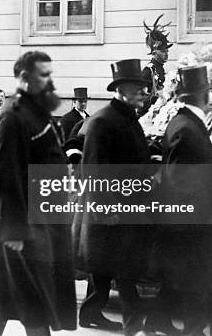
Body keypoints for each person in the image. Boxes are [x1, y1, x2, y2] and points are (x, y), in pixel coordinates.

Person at [0, 51, 77, 336]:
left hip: (35, 226)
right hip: (19, 234)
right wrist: (13, 232)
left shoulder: (35, 113)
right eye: (43, 74)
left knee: (4, 309)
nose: (49, 80)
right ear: (23, 78)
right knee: (33, 309)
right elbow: (4, 176)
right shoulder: (12, 117)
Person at [73, 59, 153, 335]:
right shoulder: (103, 121)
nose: (145, 93)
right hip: (110, 211)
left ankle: (90, 315)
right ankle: (134, 324)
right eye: (138, 88)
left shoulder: (125, 117)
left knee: (106, 267)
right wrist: (104, 212)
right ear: (121, 89)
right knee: (123, 268)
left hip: (123, 208)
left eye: (144, 88)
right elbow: (93, 172)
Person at [158, 65, 212, 335]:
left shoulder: (183, 122)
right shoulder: (188, 128)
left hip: (187, 225)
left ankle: (170, 324)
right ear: (205, 95)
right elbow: (180, 184)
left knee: (191, 288)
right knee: (195, 291)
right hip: (193, 227)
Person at [141, 14, 172, 115]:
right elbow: (142, 98)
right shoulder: (148, 71)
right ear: (154, 52)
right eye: (163, 51)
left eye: (167, 51)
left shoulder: (161, 69)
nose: (166, 54)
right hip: (148, 114)